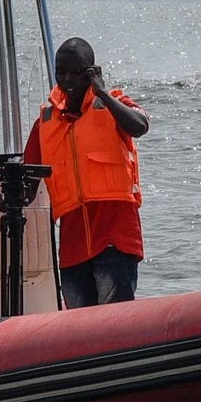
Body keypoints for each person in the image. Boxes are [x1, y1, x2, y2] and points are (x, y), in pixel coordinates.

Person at [23, 36, 149, 307]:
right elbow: (28, 182)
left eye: (77, 72)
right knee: (80, 328)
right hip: (73, 245)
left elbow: (139, 126)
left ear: (92, 72)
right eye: (61, 72)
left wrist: (101, 92)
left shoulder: (114, 103)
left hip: (115, 237)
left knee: (116, 323)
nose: (68, 79)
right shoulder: (45, 122)